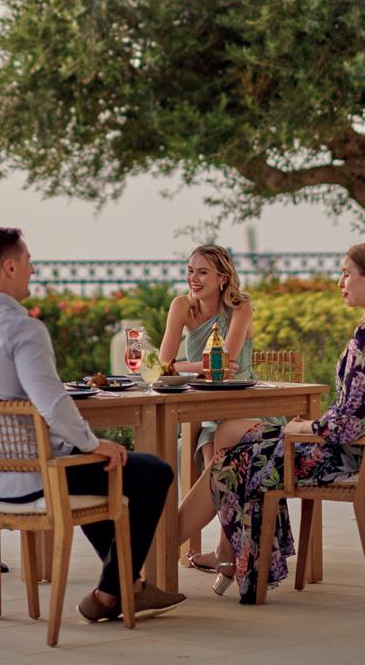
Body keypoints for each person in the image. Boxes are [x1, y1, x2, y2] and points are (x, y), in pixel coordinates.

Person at [0, 226, 186, 623]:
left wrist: (87, 448)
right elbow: (52, 403)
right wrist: (94, 443)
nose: (33, 270)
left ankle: (128, 587)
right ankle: (113, 592)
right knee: (153, 472)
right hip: (35, 479)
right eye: (29, 261)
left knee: (99, 468)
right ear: (9, 266)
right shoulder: (23, 329)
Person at [205, 241, 365, 603]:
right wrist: (311, 425)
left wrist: (304, 428)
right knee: (234, 436)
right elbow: (359, 411)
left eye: (346, 273)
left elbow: (349, 424)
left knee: (229, 464)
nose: (340, 282)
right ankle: (243, 563)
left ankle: (248, 568)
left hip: (343, 456)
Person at [157, 245, 258, 575]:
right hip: (202, 409)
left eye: (202, 272)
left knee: (218, 451)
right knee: (212, 446)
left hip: (244, 406)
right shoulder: (181, 306)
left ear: (222, 278)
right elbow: (163, 364)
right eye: (190, 270)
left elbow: (226, 365)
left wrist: (184, 366)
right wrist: (200, 366)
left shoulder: (241, 307)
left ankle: (212, 550)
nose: (193, 278)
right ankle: (226, 554)